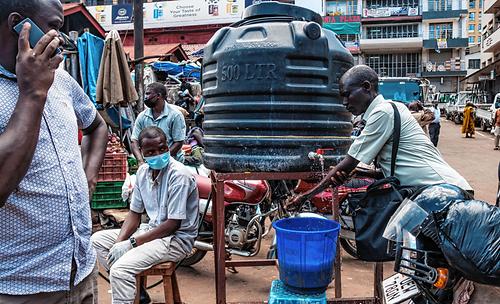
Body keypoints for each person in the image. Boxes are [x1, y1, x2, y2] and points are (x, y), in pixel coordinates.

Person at [0, 1, 109, 303]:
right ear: (18, 24)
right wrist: (33, 92)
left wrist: (88, 178)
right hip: (20, 287)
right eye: (54, 27)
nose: (60, 38)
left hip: (81, 271)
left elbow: (98, 127)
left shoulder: (62, 80)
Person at [288, 65, 472, 206]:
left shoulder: (383, 113)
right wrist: (355, 172)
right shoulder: (394, 107)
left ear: (366, 87)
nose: (344, 102)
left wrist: (305, 197)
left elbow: (348, 162)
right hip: (437, 191)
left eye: (347, 95)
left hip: (444, 192)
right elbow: (394, 166)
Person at [92, 126, 199, 304]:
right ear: (141, 152)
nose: (158, 154)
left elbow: (173, 225)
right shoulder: (142, 173)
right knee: (97, 241)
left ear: (168, 146)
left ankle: (125, 281)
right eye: (151, 151)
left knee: (120, 270)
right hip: (150, 231)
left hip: (175, 240)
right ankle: (136, 289)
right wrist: (119, 243)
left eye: (162, 148)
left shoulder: (179, 175)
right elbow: (134, 214)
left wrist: (131, 243)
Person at [131, 82, 186, 164]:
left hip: (172, 161)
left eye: (148, 94)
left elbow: (178, 142)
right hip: (149, 162)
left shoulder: (175, 115)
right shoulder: (142, 116)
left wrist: (162, 160)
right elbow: (134, 141)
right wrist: (140, 161)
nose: (145, 97)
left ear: (158, 96)